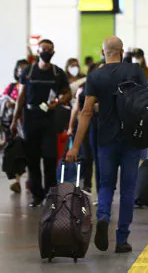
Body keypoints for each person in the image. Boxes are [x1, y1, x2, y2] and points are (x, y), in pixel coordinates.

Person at [66, 36, 148, 254]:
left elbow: (85, 112)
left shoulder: (95, 76)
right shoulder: (135, 71)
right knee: (128, 189)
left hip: (105, 140)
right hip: (132, 138)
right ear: (121, 51)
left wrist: (75, 147)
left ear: (103, 53)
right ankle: (122, 239)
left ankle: (103, 217)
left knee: (105, 185)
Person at [11, 39, 72, 207]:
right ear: (38, 52)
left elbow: (67, 94)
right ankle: (37, 195)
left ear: (53, 52)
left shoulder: (58, 73)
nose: (46, 52)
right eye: (43, 49)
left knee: (50, 158)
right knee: (32, 159)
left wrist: (59, 101)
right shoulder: (28, 72)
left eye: (50, 50)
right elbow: (21, 96)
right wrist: (15, 119)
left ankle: (51, 194)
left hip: (49, 119)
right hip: (30, 118)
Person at [67, 63, 100, 195]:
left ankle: (88, 184)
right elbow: (76, 109)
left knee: (94, 157)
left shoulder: (105, 88)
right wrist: (70, 127)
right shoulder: (82, 88)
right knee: (85, 156)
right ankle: (84, 184)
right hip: (84, 125)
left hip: (98, 125)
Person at [2, 59, 29, 193]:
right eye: (20, 69)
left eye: (25, 69)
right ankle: (17, 181)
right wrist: (8, 104)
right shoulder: (12, 87)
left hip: (29, 124)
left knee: (30, 153)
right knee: (16, 152)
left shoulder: (32, 86)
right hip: (13, 126)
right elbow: (3, 99)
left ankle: (31, 180)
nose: (22, 72)